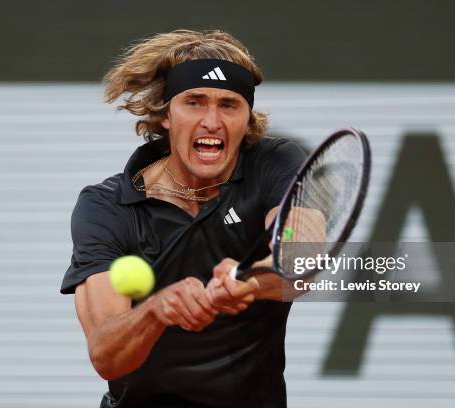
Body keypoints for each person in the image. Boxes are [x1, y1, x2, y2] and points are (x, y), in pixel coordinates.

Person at [61, 29, 306, 408]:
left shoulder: (274, 164)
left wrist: (251, 283)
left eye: (229, 105)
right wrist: (156, 311)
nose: (212, 121)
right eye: (194, 102)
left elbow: (303, 259)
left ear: (246, 119)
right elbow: (106, 355)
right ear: (165, 116)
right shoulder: (106, 207)